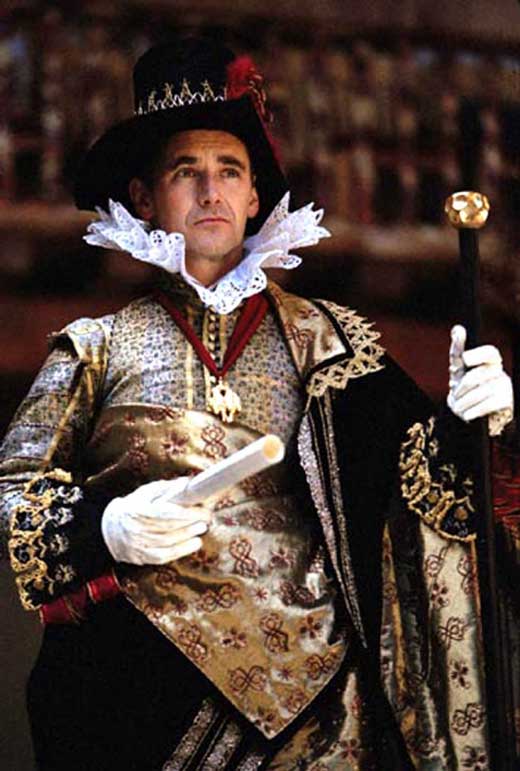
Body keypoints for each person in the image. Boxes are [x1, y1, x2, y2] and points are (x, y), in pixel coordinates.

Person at [0, 38, 514, 771]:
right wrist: (103, 526)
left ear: (252, 199)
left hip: (326, 717)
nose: (210, 192)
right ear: (145, 198)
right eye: (186, 172)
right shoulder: (94, 348)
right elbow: (14, 488)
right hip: (147, 705)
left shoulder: (330, 342)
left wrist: (477, 421)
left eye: (230, 171)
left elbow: (425, 494)